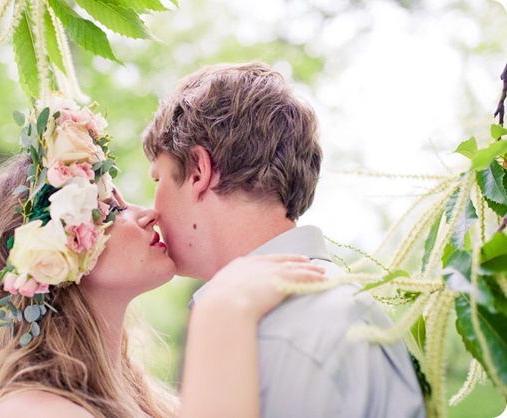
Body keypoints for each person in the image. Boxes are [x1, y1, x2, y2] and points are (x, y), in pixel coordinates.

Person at [0, 93, 325, 418]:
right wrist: (223, 315)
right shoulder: (31, 411)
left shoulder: (145, 399)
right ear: (58, 251)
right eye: (111, 209)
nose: (147, 213)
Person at [142, 61, 427, 417]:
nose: (151, 210)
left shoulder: (280, 336)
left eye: (159, 180)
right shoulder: (338, 304)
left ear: (199, 171)